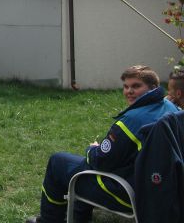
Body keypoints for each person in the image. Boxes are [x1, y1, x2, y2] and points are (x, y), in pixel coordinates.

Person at [26, 65, 179, 223]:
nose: (129, 91)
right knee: (81, 168)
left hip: (130, 194)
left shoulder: (131, 121)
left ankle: (48, 220)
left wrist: (92, 149)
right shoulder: (173, 109)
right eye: (126, 87)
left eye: (136, 86)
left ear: (153, 88)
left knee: (58, 162)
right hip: (167, 190)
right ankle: (78, 217)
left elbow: (101, 161)